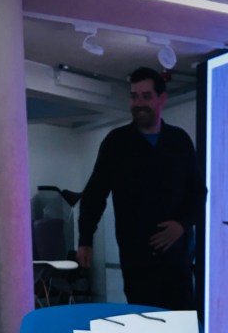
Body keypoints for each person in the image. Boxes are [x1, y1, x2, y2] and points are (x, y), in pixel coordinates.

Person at [77, 67, 206, 310]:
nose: (138, 103)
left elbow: (198, 193)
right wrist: (85, 239)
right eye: (134, 96)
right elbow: (95, 194)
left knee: (181, 326)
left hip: (177, 262)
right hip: (138, 263)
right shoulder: (116, 143)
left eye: (146, 96)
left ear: (161, 99)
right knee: (143, 325)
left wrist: (182, 224)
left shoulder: (179, 141)